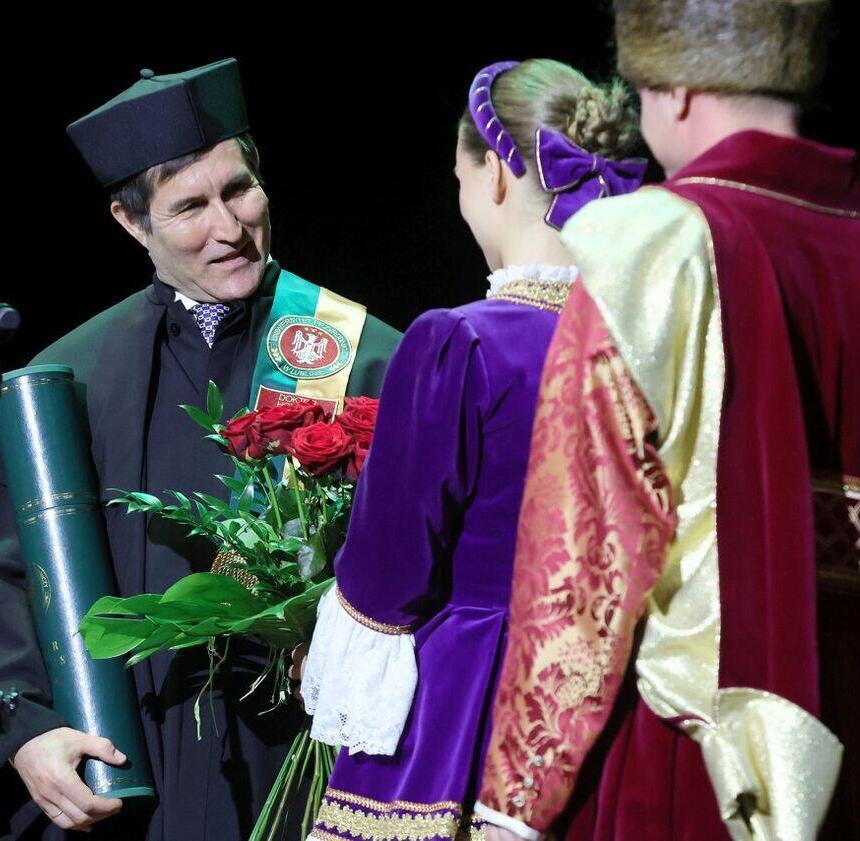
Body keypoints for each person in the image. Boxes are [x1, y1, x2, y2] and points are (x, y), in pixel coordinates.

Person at [474, 2, 860, 840]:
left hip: (701, 766)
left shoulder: (647, 249)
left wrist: (515, 805)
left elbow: (581, 572)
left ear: (676, 88)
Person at [0, 58, 401, 841]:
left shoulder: (363, 359)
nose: (229, 228)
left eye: (240, 190)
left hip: (310, 764)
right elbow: (5, 579)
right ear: (132, 223)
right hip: (127, 773)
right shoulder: (71, 381)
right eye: (191, 206)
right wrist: (27, 733)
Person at [297, 59, 645, 841]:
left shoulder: (460, 343)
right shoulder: (652, 347)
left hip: (476, 707)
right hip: (622, 711)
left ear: (493, 174)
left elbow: (388, 574)